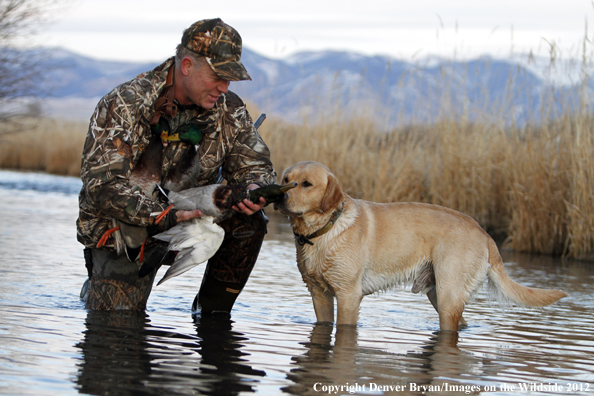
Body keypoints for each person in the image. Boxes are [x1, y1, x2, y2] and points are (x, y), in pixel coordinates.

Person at [76, 18, 276, 314]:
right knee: (116, 329)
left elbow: (254, 165)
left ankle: (213, 318)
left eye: (229, 78)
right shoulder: (122, 104)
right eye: (218, 76)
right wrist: (163, 216)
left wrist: (256, 187)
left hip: (195, 224)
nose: (224, 87)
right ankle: (98, 283)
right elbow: (102, 187)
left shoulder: (229, 109)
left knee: (249, 221)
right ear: (186, 66)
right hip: (127, 232)